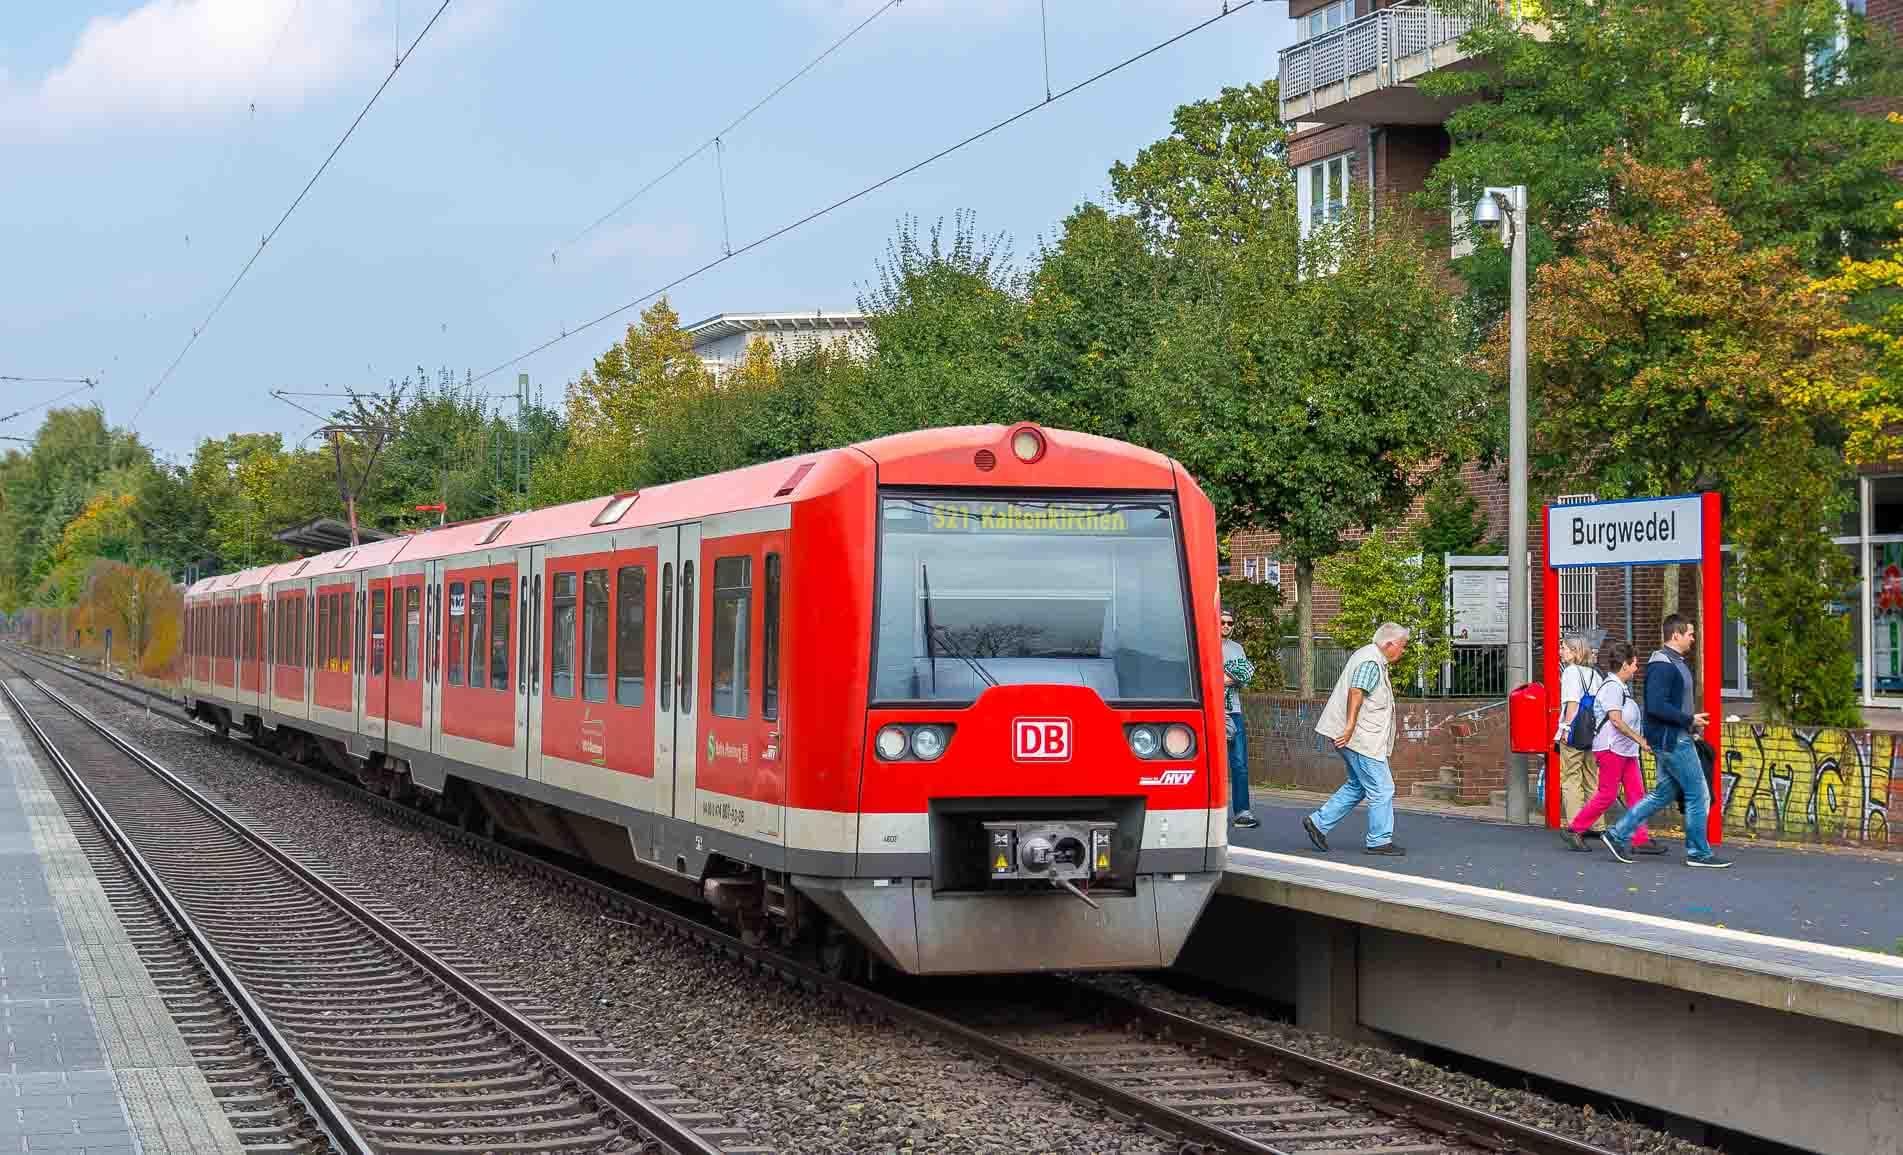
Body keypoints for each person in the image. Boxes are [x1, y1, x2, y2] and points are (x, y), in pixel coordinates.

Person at [1602, 614, 1732, 868]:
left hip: (1673, 737)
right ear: (1676, 635)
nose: (1693, 638)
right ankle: (1698, 852)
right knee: (1698, 794)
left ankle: (1617, 834)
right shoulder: (1662, 665)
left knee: (1662, 794)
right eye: (1690, 633)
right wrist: (1688, 720)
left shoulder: (1674, 662)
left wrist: (1688, 723)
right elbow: (1656, 705)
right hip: (1673, 739)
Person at [1303, 622, 1409, 856]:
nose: (1403, 651)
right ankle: (1379, 841)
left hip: (1354, 736)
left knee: (1359, 785)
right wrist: (1350, 727)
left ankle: (1318, 823)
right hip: (1361, 739)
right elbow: (1356, 692)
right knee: (1382, 788)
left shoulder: (1368, 655)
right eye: (1402, 646)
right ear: (1389, 644)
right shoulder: (1371, 662)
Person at [1562, 641, 1664, 854]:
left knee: (1636, 793)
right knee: (1607, 794)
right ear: (1625, 665)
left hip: (1624, 749)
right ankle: (1575, 829)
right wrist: (1641, 741)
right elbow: (1616, 720)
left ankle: (1640, 838)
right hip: (1611, 748)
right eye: (1634, 663)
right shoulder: (1611, 687)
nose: (1637, 668)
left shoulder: (1620, 687)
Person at [1554, 633, 1605, 840]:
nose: (1560, 652)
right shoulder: (1595, 674)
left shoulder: (1570, 672)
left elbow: (1572, 703)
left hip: (1575, 731)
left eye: (1564, 648)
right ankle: (1597, 823)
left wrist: (1565, 728)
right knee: (1592, 778)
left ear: (1575, 652)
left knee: (1571, 778)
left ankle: (1576, 825)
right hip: (1592, 733)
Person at [1220, 607, 1259, 829]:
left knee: (1240, 762)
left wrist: (1230, 676)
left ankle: (1243, 811)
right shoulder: (1204, 642)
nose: (1226, 626)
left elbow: (1244, 677)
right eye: (1223, 622)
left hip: (1233, 710)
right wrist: (1225, 675)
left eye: (1230, 623)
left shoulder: (1237, 649)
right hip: (1212, 711)